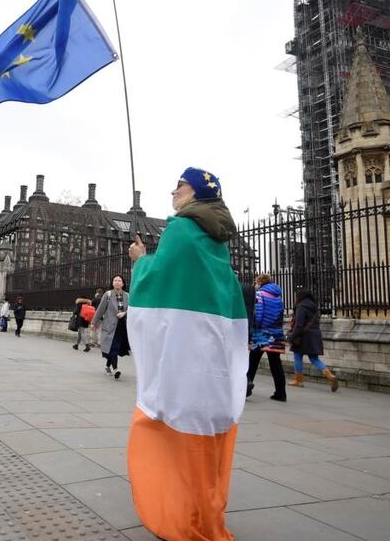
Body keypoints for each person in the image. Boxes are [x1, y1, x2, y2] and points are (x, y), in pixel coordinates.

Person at [125, 167, 247, 541]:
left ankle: (184, 518)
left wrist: (139, 260)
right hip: (214, 359)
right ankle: (206, 511)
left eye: (178, 185)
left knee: (162, 425)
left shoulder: (180, 229)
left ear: (194, 191)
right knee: (206, 436)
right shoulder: (219, 238)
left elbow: (157, 281)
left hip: (186, 358)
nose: (172, 190)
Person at [287, 288, 339, 392]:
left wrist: (291, 337)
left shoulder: (301, 306)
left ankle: (299, 380)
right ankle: (330, 376)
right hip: (315, 334)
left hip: (303, 336)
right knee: (314, 358)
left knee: (297, 355)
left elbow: (299, 324)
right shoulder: (314, 307)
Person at [246, 274, 287, 402]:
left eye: (256, 281)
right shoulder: (278, 296)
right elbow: (280, 313)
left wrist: (253, 329)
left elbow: (258, 314)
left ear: (260, 281)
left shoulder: (260, 294)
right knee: (276, 364)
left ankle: (245, 389)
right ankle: (281, 393)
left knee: (253, 362)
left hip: (262, 334)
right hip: (276, 333)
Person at [90, 278, 129, 378]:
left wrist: (124, 313)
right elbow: (100, 310)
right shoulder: (108, 294)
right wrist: (94, 322)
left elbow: (132, 309)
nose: (117, 282)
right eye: (115, 280)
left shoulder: (127, 295)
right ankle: (116, 369)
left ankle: (108, 366)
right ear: (112, 283)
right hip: (110, 326)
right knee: (113, 347)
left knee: (114, 347)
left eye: (119, 281)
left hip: (122, 326)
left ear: (123, 283)